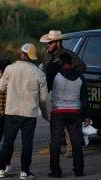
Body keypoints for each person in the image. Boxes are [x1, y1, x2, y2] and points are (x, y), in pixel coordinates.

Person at [0, 43, 47, 179]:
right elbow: (44, 97)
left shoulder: (10, 69)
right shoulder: (39, 73)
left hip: (12, 111)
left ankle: (0, 169)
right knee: (27, 143)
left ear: (22, 53)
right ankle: (24, 171)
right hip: (29, 113)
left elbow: (1, 87)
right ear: (32, 57)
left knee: (8, 142)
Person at [39, 30, 87, 158]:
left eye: (50, 43)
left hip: (64, 93)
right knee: (54, 121)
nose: (47, 45)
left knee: (66, 121)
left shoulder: (68, 55)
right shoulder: (48, 55)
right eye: (47, 43)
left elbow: (82, 66)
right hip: (51, 92)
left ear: (58, 43)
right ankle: (54, 147)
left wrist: (69, 77)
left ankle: (71, 149)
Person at [48, 53, 90, 177]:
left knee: (55, 142)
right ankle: (79, 170)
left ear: (60, 62)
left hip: (58, 112)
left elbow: (47, 83)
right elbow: (84, 98)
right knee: (76, 142)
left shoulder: (55, 75)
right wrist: (87, 115)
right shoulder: (80, 77)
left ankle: (56, 171)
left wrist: (53, 65)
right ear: (71, 63)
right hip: (75, 112)